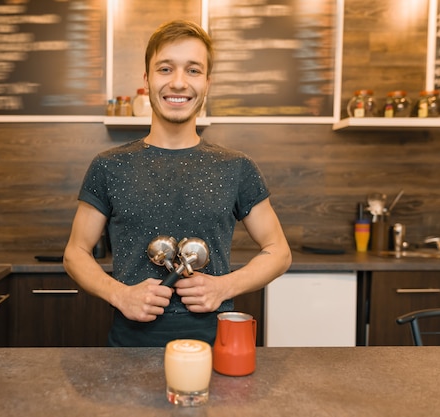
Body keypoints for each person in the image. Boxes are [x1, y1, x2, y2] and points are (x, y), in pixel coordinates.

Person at [63, 19, 291, 347]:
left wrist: (223, 286)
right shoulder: (108, 166)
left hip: (215, 347)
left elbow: (279, 252)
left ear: (208, 83)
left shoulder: (237, 167)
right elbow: (75, 253)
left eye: (193, 70)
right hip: (129, 349)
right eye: (166, 69)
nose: (179, 83)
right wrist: (120, 294)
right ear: (147, 79)